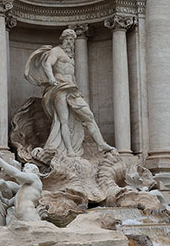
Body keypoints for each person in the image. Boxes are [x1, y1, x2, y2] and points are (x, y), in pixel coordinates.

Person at [25, 29, 114, 157]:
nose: (70, 42)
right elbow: (47, 64)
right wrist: (51, 78)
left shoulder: (71, 56)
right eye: (68, 39)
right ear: (63, 39)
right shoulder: (56, 51)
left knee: (88, 115)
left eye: (72, 40)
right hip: (59, 87)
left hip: (72, 89)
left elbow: (72, 75)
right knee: (64, 120)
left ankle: (101, 144)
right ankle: (69, 150)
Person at [0, 149, 44, 222]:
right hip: (17, 217)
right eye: (24, 168)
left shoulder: (35, 179)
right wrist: (0, 196)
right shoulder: (22, 189)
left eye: (27, 168)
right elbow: (9, 203)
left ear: (35, 171)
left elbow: (16, 174)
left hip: (28, 214)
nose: (25, 170)